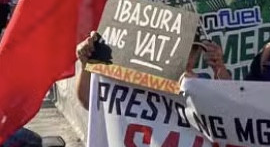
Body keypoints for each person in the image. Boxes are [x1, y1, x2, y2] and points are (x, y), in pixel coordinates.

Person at [74, 31, 231, 108]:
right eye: (178, 50)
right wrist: (87, 64)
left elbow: (231, 109)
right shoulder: (142, 84)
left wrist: (219, 67)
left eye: (192, 50)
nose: (186, 57)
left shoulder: (204, 82)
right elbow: (89, 102)